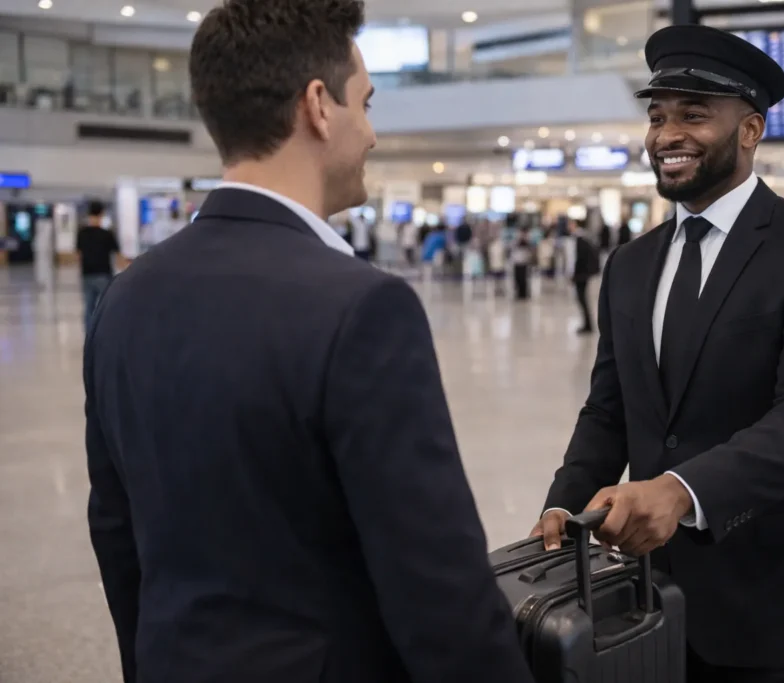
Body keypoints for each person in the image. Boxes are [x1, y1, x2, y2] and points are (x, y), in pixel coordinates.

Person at [83, 3, 533, 683]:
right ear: (319, 106)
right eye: (367, 103)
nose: (374, 136)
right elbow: (438, 592)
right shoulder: (361, 308)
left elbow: (118, 536)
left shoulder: (126, 297)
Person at [530, 25, 784, 683]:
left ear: (750, 129)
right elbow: (610, 408)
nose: (668, 134)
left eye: (694, 115)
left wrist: (680, 490)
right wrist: (565, 502)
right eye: (658, 116)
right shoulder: (630, 265)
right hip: (659, 602)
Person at [76, 200, 122, 331]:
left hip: (87, 274)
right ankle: (104, 333)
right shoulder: (106, 234)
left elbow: (78, 255)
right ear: (102, 214)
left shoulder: (82, 233)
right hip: (103, 274)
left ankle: (89, 336)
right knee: (105, 307)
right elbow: (117, 255)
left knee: (88, 307)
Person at [570, 220, 600, 334]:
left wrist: (575, 274)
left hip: (581, 275)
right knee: (582, 299)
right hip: (584, 274)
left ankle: (588, 325)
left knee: (582, 299)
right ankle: (587, 324)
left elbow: (579, 260)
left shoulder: (580, 240)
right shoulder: (585, 238)